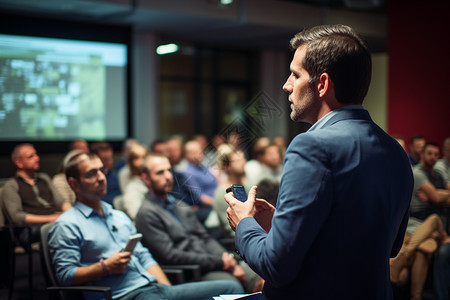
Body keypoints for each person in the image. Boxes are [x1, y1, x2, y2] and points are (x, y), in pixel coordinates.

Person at [224, 24, 413, 299]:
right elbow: (388, 245)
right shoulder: (395, 151)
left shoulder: (310, 146)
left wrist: (244, 224)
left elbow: (275, 267)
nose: (286, 85)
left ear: (322, 84)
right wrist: (283, 226)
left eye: (295, 74)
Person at [48, 152, 243, 300]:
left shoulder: (118, 216)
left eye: (102, 170)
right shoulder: (67, 225)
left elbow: (144, 258)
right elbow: (65, 276)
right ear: (74, 184)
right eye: (92, 173)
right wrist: (105, 267)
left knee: (231, 289)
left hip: (155, 288)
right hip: (124, 295)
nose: (101, 177)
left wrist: (169, 292)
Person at [134, 153, 263, 293]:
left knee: (264, 272)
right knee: (233, 285)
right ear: (146, 178)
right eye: (160, 173)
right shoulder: (147, 213)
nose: (168, 176)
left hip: (213, 262)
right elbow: (171, 256)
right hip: (193, 272)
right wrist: (221, 262)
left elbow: (205, 237)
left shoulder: (178, 205)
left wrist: (228, 259)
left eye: (168, 170)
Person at [2, 143, 71, 245]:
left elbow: (61, 202)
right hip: (29, 229)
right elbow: (17, 217)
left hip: (54, 221)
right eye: (31, 156)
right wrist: (51, 219)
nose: (37, 158)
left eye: (36, 154)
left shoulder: (44, 178)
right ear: (19, 163)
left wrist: (71, 214)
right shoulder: (11, 185)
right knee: (61, 227)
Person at [389, 214, 450, 300]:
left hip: (428, 233)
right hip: (410, 237)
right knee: (422, 252)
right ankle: (416, 297)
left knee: (434, 219)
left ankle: (405, 255)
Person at [213, 144, 248, 238]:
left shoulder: (246, 187)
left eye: (243, 158)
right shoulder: (221, 192)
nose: (243, 162)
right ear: (227, 167)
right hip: (241, 239)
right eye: (238, 160)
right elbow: (232, 227)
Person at [410, 142, 450, 223]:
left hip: (440, 213)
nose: (433, 157)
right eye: (429, 153)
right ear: (422, 154)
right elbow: (437, 198)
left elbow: (439, 198)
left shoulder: (437, 174)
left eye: (436, 155)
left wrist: (435, 194)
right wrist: (437, 195)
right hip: (421, 217)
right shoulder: (417, 173)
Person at [116, 143, 148, 220]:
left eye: (143, 157)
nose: (141, 162)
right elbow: (136, 216)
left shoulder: (148, 178)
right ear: (130, 161)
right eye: (136, 158)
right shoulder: (130, 185)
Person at [90, 142, 122, 206]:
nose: (110, 162)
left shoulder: (115, 174)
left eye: (111, 158)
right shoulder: (94, 179)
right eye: (105, 159)